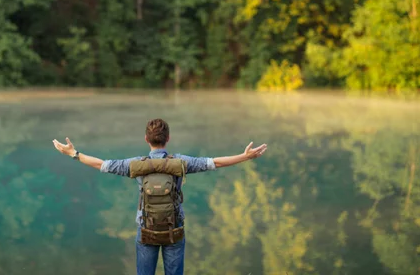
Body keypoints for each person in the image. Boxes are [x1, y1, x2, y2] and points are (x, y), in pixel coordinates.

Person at [52, 118, 268, 275]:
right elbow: (214, 162)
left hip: (146, 229)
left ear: (147, 139)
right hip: (174, 229)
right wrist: (244, 156)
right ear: (168, 139)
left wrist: (74, 153)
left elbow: (102, 165)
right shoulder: (181, 162)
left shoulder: (136, 165)